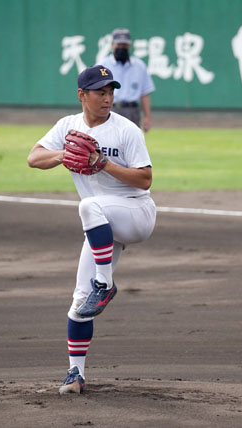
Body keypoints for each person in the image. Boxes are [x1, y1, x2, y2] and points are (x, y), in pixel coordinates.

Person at [27, 65, 157, 394]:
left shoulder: (127, 130)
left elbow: (145, 179)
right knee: (80, 303)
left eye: (111, 91)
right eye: (101, 92)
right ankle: (75, 374)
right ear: (82, 95)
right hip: (101, 226)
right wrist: (63, 154)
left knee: (89, 206)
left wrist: (104, 164)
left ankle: (105, 283)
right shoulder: (67, 127)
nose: (108, 97)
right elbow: (33, 158)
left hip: (136, 214)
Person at [99, 28, 155, 132]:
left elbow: (145, 94)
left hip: (132, 110)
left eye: (124, 45)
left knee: (132, 143)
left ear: (129, 45)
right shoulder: (103, 65)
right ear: (112, 44)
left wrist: (147, 117)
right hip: (110, 108)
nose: (121, 47)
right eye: (119, 44)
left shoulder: (139, 66)